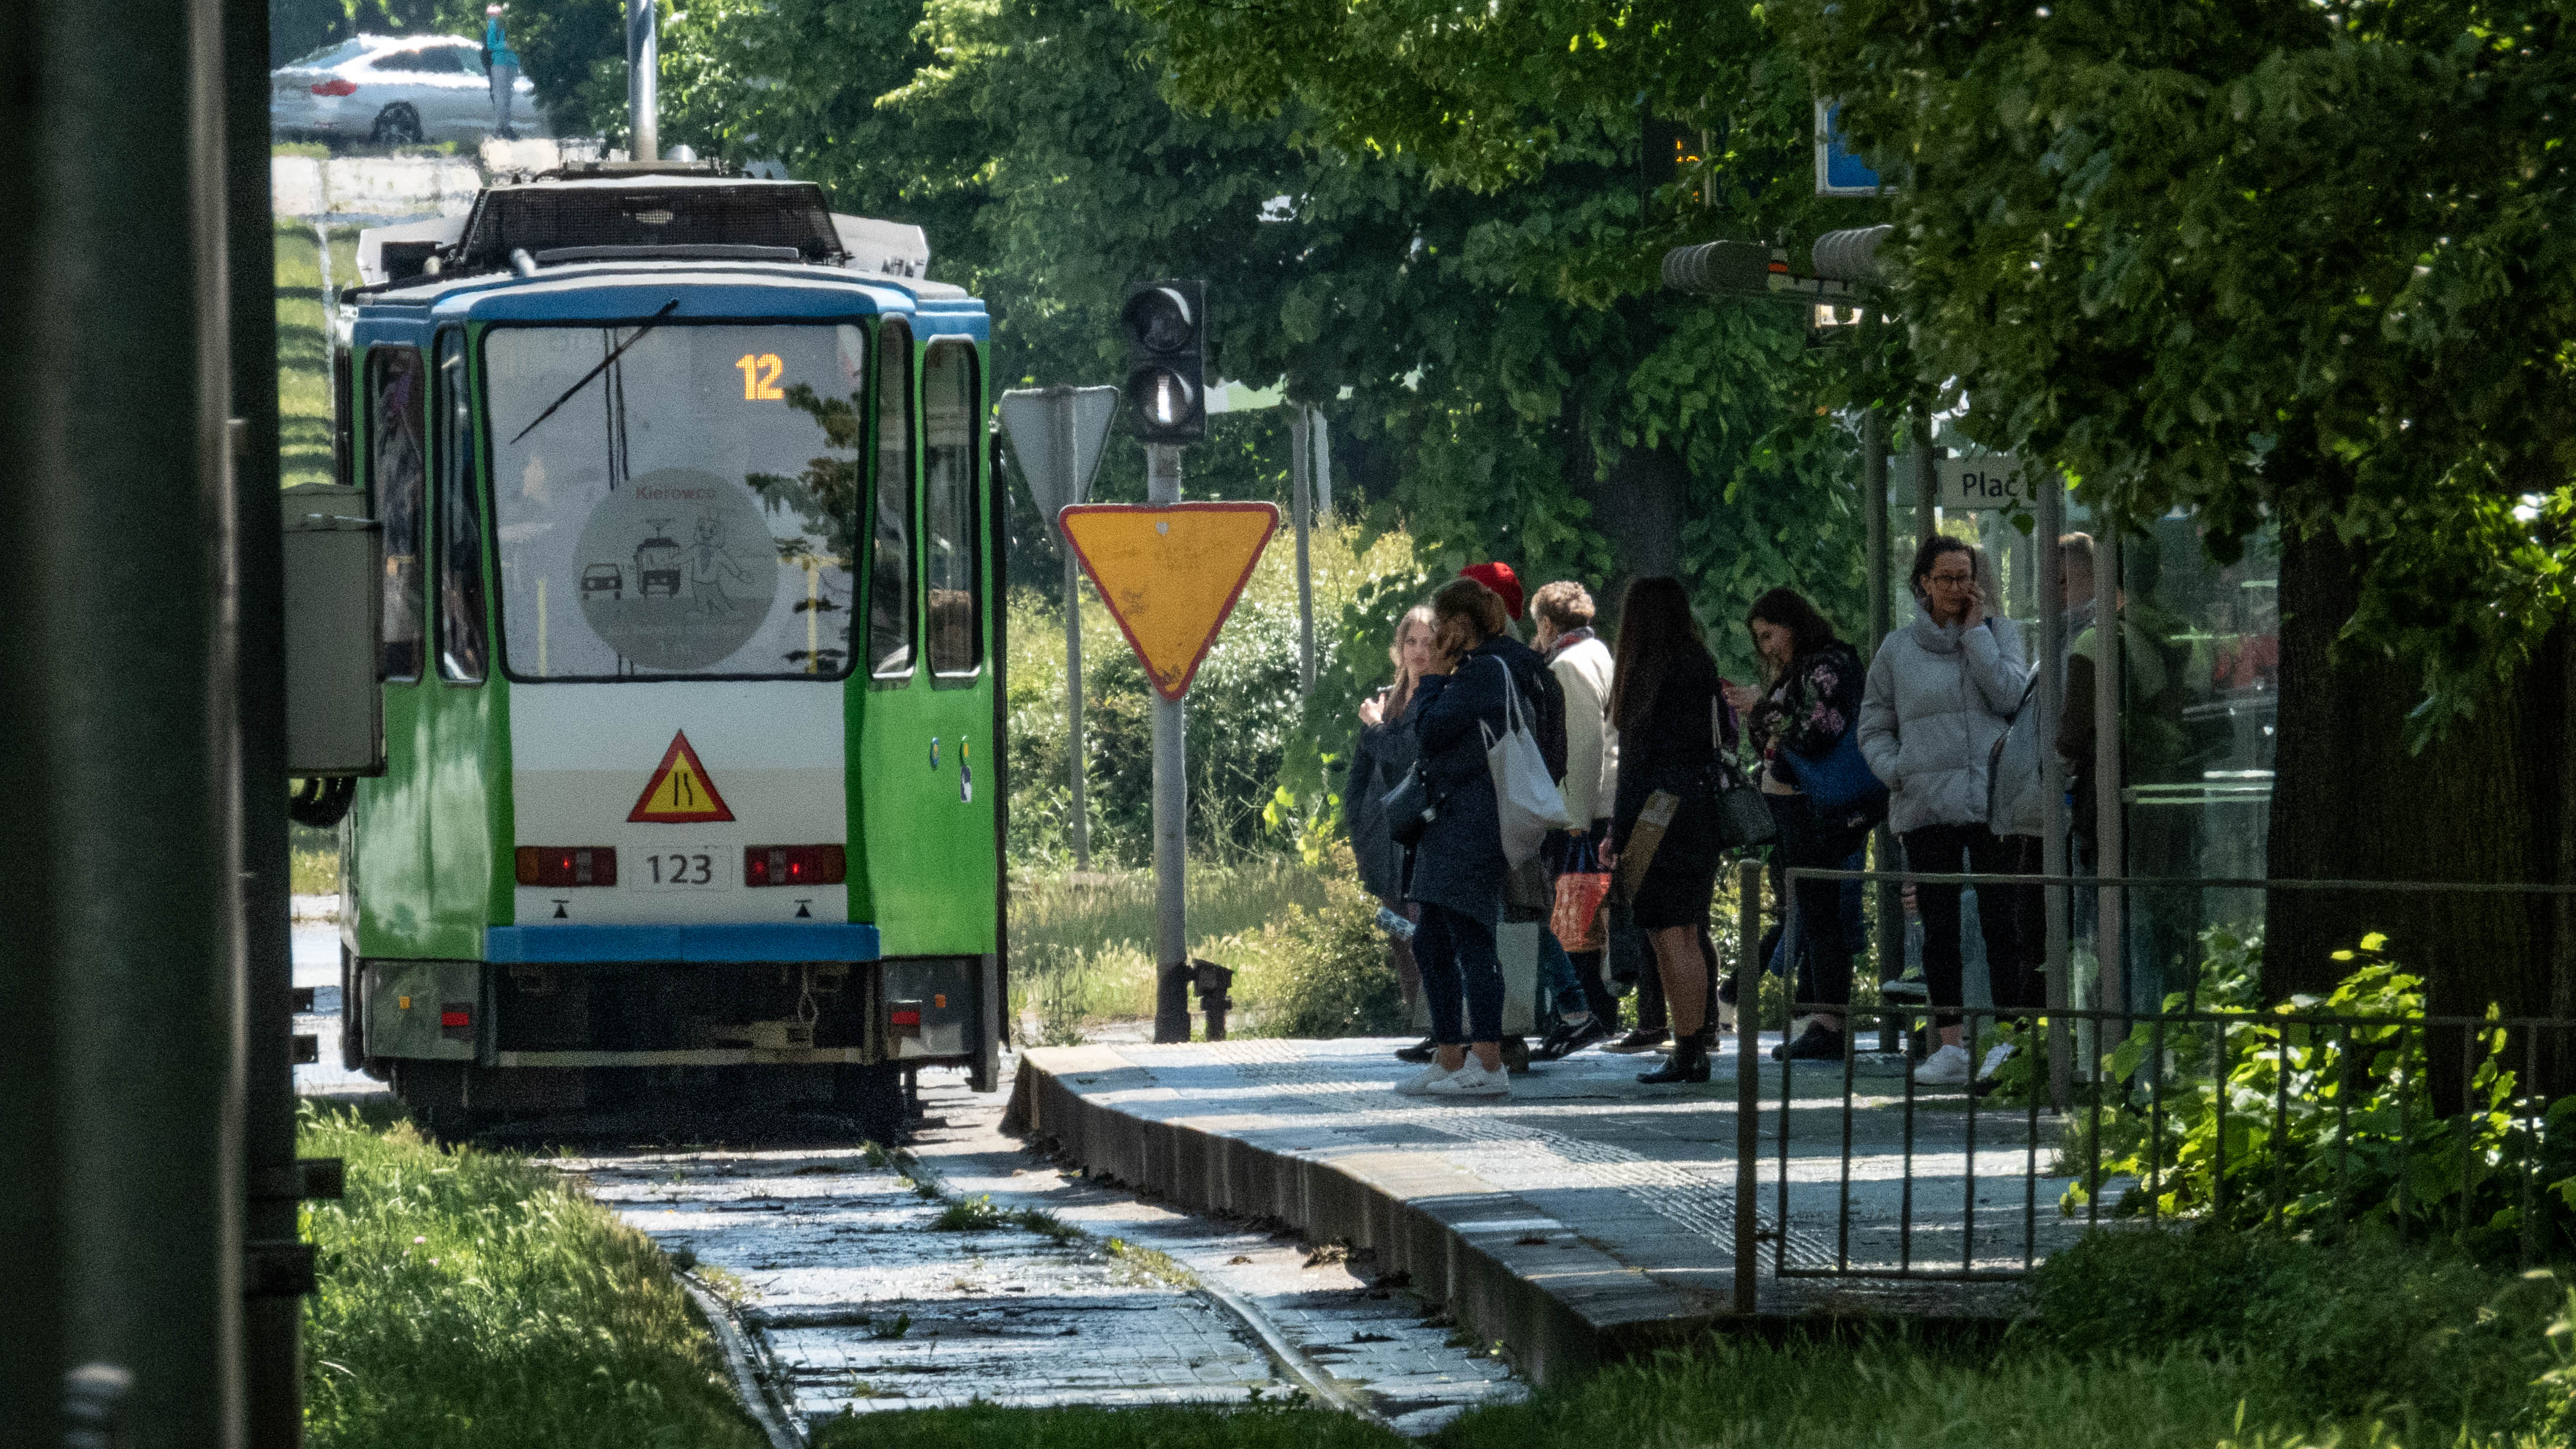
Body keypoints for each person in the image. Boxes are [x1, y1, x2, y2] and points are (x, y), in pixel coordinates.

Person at [1860, 536, 2032, 1085]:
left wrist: (1977, 635)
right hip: (1927, 802)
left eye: (1966, 577)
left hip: (1991, 801)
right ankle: (1951, 1043)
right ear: (1924, 583)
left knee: (2002, 921)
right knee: (1939, 927)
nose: (1958, 589)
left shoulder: (1999, 633)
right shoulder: (1897, 649)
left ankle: (2009, 1039)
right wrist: (1899, 769)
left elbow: (2011, 696)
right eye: (1947, 579)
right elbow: (1874, 723)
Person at [1395, 577, 1540, 1098]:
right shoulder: (1476, 671)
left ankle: (1488, 1060)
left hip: (1471, 824)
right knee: (1431, 939)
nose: (1433, 638)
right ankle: (1450, 1055)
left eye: (1439, 625)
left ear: (1459, 624)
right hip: (1450, 820)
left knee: (1473, 939)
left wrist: (1432, 679)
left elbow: (1430, 732)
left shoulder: (1482, 673)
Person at [1725, 587, 1871, 1061]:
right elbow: (1777, 741)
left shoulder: (1825, 666)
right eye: (1760, 639)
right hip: (1795, 803)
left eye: (1770, 635)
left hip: (1815, 804)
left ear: (1792, 625)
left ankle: (1828, 1022)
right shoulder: (1802, 669)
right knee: (1812, 908)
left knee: (1820, 911)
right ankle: (1823, 1020)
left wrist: (1761, 707)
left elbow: (1815, 730)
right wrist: (1759, 713)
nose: (1766, 648)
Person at [1601, 577, 1737, 1085]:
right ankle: (1696, 1043)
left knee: (1665, 933)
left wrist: (1619, 831)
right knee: (1690, 929)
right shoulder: (1699, 662)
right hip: (1700, 807)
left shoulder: (1646, 671)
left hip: (1657, 811)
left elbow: (1635, 763)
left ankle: (1686, 1048)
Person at [1530, 580, 1621, 1059]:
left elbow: (1582, 746)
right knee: (1588, 920)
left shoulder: (1567, 665)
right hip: (1602, 805)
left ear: (1547, 623)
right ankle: (1597, 1012)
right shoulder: (1599, 652)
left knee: (1576, 920)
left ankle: (1590, 1015)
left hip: (1585, 810)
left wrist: (1573, 819)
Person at [1353, 603, 1436, 1062]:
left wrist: (1376, 725)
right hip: (1385, 841)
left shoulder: (1437, 695)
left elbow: (1406, 756)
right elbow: (1360, 777)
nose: (1419, 651)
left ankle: (1440, 1026)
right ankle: (1420, 1024)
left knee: (1425, 932)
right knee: (1397, 931)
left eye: (1428, 642)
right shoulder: (1385, 698)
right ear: (1399, 647)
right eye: (1412, 641)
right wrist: (1359, 827)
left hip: (1424, 838)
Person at [484, 5, 522, 140]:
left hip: (512, 63)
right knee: (501, 95)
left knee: (507, 95)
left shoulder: (516, 23)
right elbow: (491, 45)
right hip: (500, 63)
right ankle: (501, 127)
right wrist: (506, 45)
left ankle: (505, 126)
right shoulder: (495, 23)